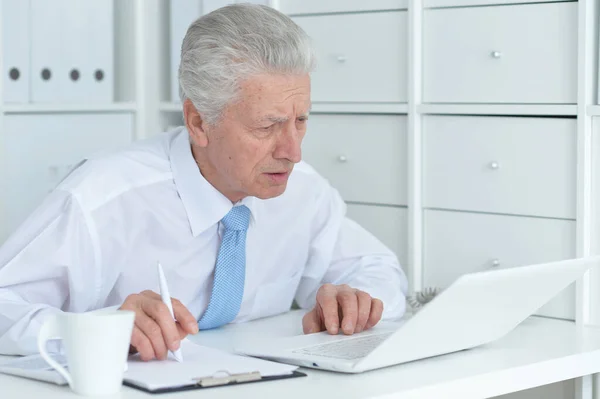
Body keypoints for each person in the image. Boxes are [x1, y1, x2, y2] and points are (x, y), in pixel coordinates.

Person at [0, 4, 408, 361]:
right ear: (198, 122)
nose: (293, 151)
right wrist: (103, 329)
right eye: (268, 126)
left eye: (301, 121)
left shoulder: (302, 189)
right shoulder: (102, 198)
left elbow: (377, 269)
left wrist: (356, 302)